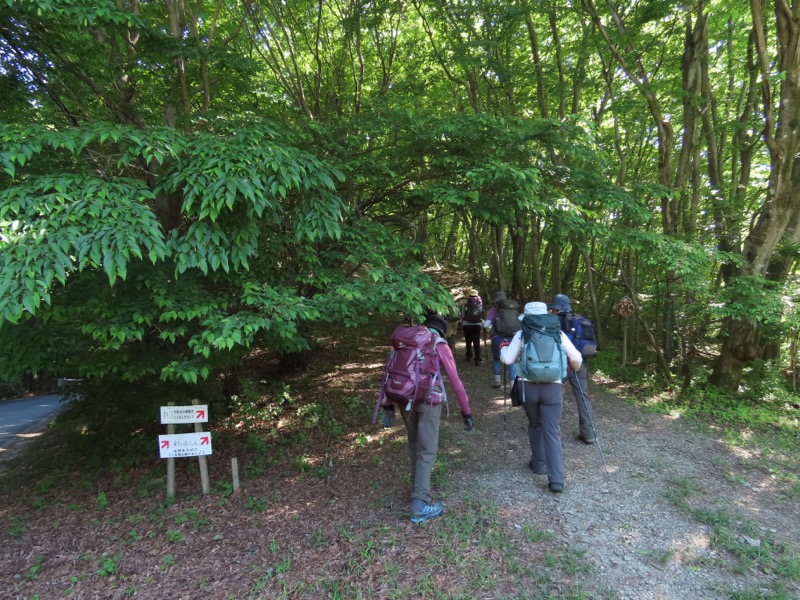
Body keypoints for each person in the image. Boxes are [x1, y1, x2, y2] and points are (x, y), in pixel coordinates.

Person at [382, 313, 474, 522]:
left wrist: (387, 406)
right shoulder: (439, 344)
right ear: (442, 330)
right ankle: (420, 504)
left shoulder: (406, 343)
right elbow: (455, 381)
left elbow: (390, 372)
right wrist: (466, 411)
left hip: (403, 398)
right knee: (427, 450)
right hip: (429, 402)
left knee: (415, 444)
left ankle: (417, 491)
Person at [499, 302, 582, 493]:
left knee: (535, 424)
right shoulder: (557, 333)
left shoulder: (522, 333)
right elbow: (576, 358)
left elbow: (508, 359)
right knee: (552, 430)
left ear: (525, 316)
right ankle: (557, 480)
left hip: (528, 387)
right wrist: (570, 370)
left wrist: (503, 348)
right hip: (553, 387)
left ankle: (538, 464)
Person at [550, 294, 596, 444]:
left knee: (552, 396)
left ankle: (552, 432)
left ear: (555, 308)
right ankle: (589, 434)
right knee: (583, 397)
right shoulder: (581, 320)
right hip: (580, 363)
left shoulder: (553, 321)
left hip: (560, 365)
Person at [483, 291, 520, 389]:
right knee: (511, 359)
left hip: (497, 337)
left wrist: (484, 325)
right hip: (512, 337)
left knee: (496, 359)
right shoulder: (512, 308)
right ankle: (513, 384)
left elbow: (486, 324)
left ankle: (497, 382)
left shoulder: (494, 309)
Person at [461, 288, 484, 366]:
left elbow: (463, 314)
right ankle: (477, 359)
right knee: (476, 341)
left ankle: (469, 356)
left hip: (466, 324)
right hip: (477, 324)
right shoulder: (479, 302)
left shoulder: (465, 303)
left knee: (468, 341)